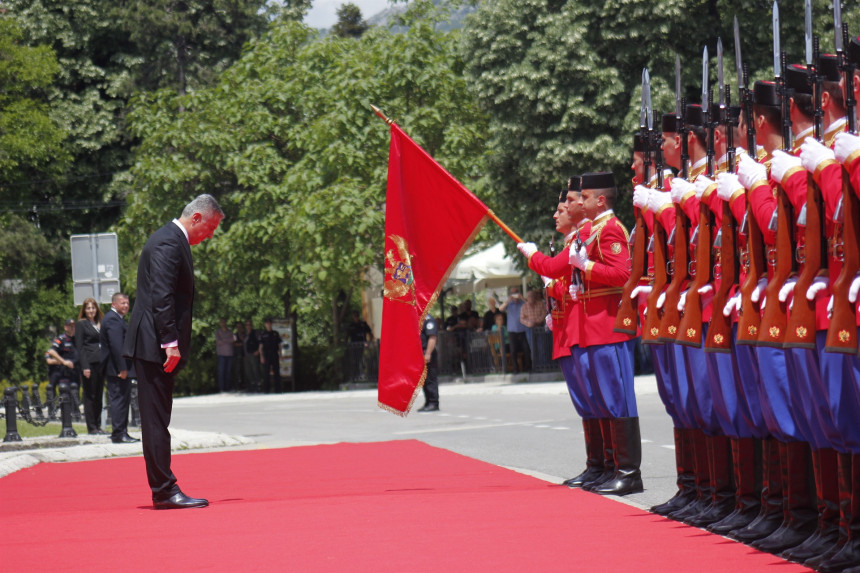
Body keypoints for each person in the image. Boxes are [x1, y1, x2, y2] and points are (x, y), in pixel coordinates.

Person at [123, 194, 224, 510]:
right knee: (155, 421)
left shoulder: (168, 239)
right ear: (196, 218)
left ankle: (164, 488)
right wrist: (170, 342)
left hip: (154, 343)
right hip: (155, 344)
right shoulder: (168, 242)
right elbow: (162, 296)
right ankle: (164, 491)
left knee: (157, 419)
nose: (208, 236)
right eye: (209, 228)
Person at [100, 292, 138, 444]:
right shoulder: (112, 320)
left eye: (127, 303)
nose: (126, 306)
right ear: (114, 304)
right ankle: (119, 433)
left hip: (119, 368)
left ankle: (122, 431)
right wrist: (122, 368)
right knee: (119, 400)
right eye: (122, 303)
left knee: (123, 400)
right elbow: (117, 346)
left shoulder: (117, 319)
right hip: (117, 369)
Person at [75, 297, 106, 435]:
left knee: (99, 395)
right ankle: (92, 426)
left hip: (101, 363)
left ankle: (98, 425)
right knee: (90, 395)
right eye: (88, 308)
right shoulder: (82, 324)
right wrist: (85, 366)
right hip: (89, 363)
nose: (91, 311)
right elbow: (80, 346)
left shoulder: (100, 323)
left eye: (93, 308)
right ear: (84, 310)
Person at [499, 286, 530, 373]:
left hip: (522, 329)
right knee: (513, 350)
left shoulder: (522, 302)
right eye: (513, 293)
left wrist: (522, 298)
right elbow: (500, 309)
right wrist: (509, 300)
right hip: (512, 330)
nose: (514, 294)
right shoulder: (509, 303)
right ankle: (515, 368)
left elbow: (530, 305)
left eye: (516, 292)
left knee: (526, 349)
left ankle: (527, 367)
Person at [417, 313, 439, 412]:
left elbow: (432, 337)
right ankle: (428, 402)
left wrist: (428, 353)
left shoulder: (428, 319)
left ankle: (433, 403)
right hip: (418, 354)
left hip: (427, 353)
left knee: (430, 379)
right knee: (423, 380)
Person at [259, 318, 282, 393]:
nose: (268, 324)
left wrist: (280, 354)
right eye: (267, 323)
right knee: (266, 372)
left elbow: (279, 345)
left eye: (269, 323)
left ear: (271, 324)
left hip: (274, 354)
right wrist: (261, 356)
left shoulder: (275, 333)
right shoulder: (263, 334)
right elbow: (260, 347)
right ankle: (266, 390)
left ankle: (278, 389)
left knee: (276, 371)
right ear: (265, 324)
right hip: (266, 355)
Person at [215, 318, 234, 393]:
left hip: (229, 353)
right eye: (222, 322)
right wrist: (227, 340)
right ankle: (221, 388)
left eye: (224, 322)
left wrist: (223, 340)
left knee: (228, 371)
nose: (223, 323)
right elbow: (218, 341)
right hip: (221, 354)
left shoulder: (230, 332)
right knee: (221, 371)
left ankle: (227, 387)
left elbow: (232, 340)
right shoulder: (218, 332)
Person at [244, 319, 261, 392]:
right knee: (248, 370)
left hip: (254, 353)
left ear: (252, 325)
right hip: (246, 355)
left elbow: (260, 342)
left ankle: (258, 385)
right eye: (247, 325)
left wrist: (258, 351)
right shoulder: (244, 334)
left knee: (255, 369)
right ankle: (252, 384)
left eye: (249, 325)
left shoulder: (256, 333)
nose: (248, 326)